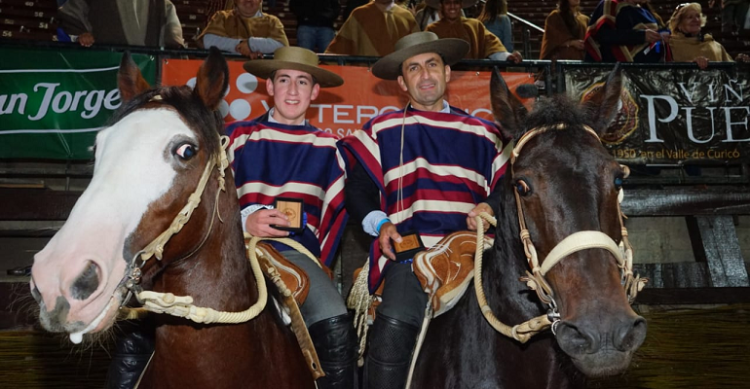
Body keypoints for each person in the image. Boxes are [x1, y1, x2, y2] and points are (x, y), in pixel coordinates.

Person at [339, 31, 510, 389]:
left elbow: (508, 187)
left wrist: (488, 205)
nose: (425, 74)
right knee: (395, 322)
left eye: (432, 64)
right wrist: (380, 223)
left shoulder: (484, 132)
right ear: (402, 82)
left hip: (478, 248)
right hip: (412, 250)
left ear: (448, 73)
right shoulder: (383, 129)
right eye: (414, 68)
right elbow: (356, 190)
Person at [226, 46, 357, 389]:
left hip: (297, 256)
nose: (293, 90)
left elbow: (339, 212)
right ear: (269, 87)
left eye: (303, 82)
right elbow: (208, 200)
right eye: (284, 80)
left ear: (315, 92)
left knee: (335, 318)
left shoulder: (330, 147)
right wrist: (243, 223)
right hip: (232, 250)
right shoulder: (236, 137)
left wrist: (321, 261)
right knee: (158, 315)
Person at [58, 0, 185, 48]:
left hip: (148, 66)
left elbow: (172, 28)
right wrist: (82, 33)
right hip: (107, 62)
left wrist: (173, 41)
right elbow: (71, 12)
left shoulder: (160, 2)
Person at [425, 0, 522, 61]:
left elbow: (492, 45)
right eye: (447, 3)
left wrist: (507, 56)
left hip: (473, 82)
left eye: (456, 2)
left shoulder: (475, 26)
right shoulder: (432, 29)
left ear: (461, 4)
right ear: (441, 5)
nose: (452, 6)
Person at [584, 0, 671, 63]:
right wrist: (641, 36)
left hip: (646, 73)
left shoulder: (646, 12)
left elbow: (658, 31)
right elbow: (602, 35)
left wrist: (662, 35)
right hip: (615, 71)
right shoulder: (611, 4)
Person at [196, 0, 289, 58]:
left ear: (261, 0)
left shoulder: (272, 21)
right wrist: (241, 46)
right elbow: (208, 41)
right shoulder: (222, 17)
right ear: (235, 1)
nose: (248, 0)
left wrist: (251, 44)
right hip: (226, 72)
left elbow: (282, 46)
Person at [669, 2, 750, 68]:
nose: (696, 20)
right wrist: (692, 65)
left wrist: (739, 62)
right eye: (690, 17)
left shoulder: (713, 44)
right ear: (678, 23)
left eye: (698, 16)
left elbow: (729, 71)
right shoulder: (670, 44)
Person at [325, 0, 419, 56]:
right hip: (364, 77)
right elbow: (339, 48)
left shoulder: (407, 17)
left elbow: (417, 50)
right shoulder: (359, 15)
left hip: (398, 79)